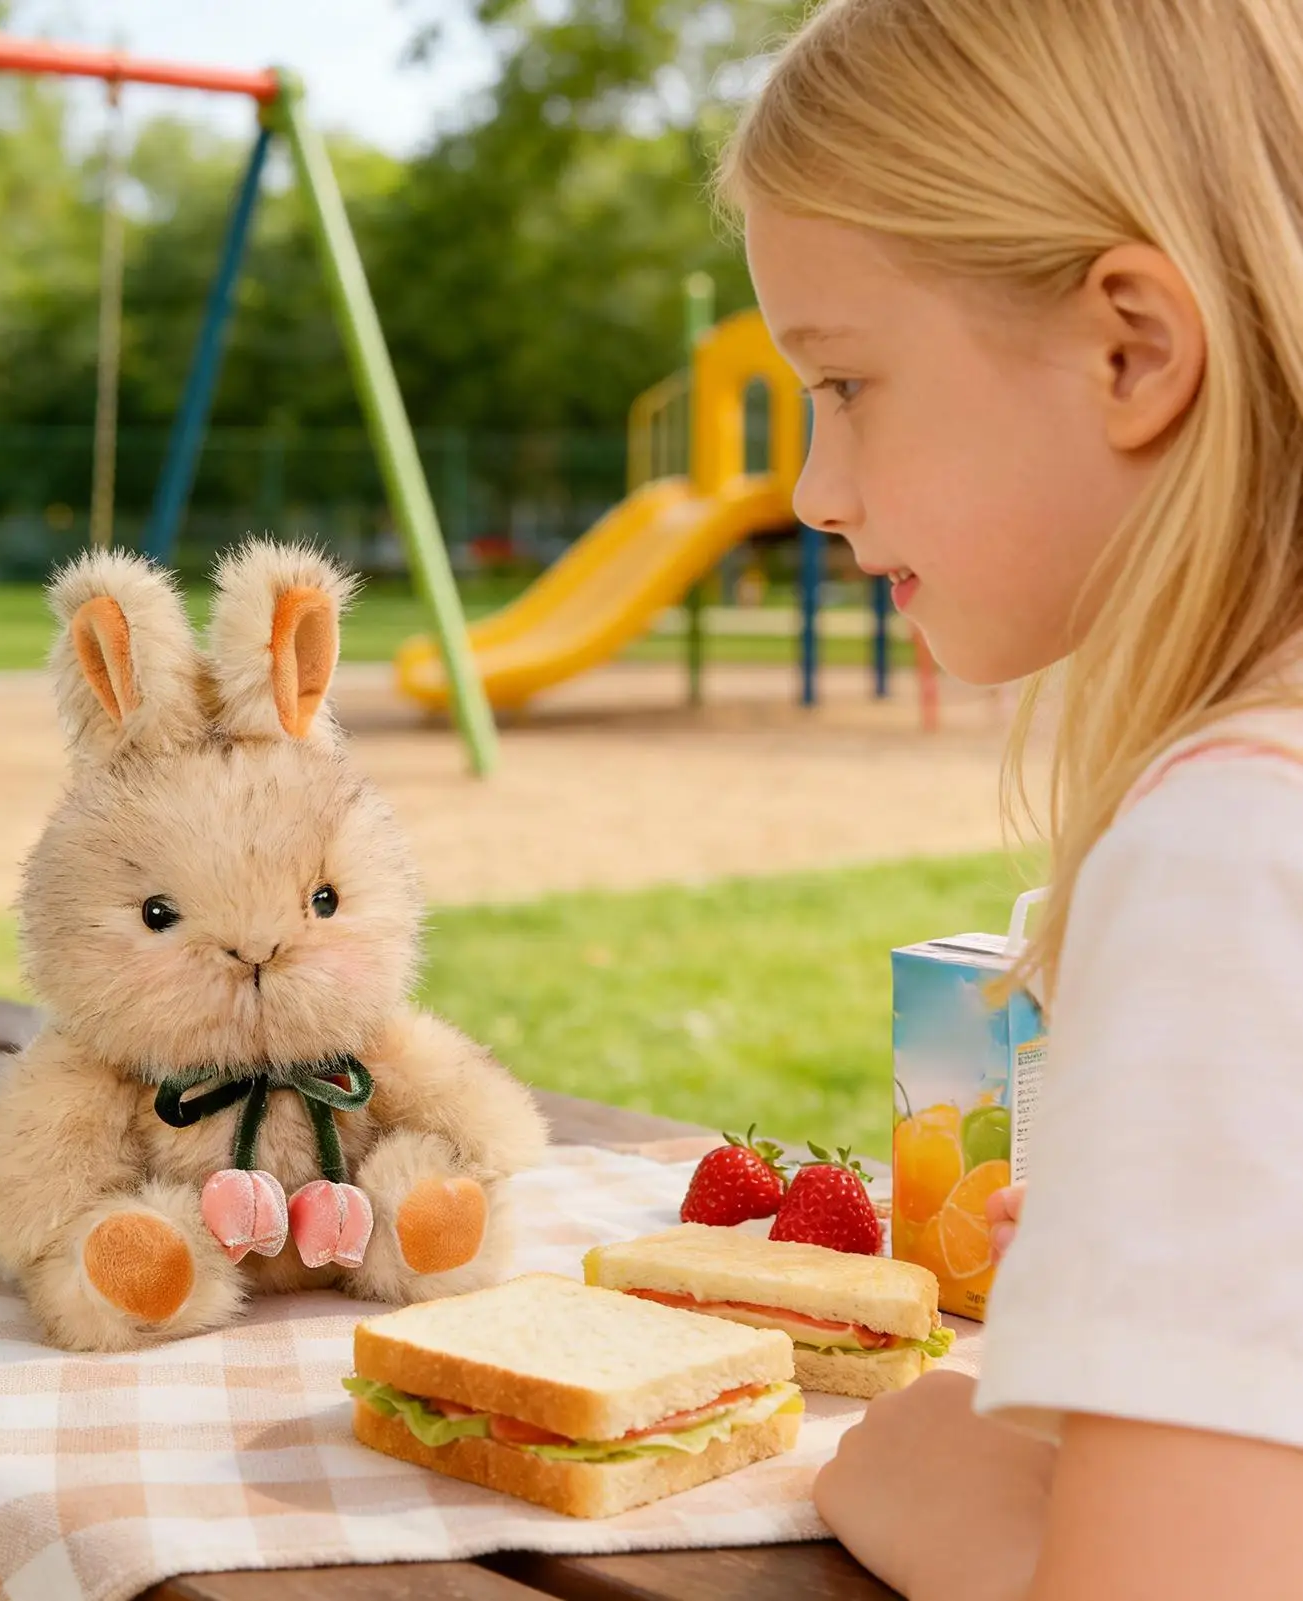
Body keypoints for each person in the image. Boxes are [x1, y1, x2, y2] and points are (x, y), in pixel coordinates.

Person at [717, 2, 1303, 1598]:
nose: (813, 492)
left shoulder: (1230, 841)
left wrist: (935, 1489)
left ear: (1134, 350)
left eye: (844, 383)